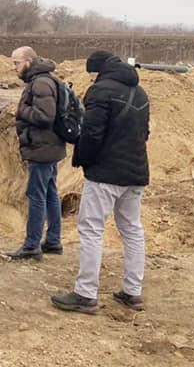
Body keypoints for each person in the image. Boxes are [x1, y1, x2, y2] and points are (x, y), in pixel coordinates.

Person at [52, 50, 150, 314]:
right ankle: (133, 291)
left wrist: (81, 160)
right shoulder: (140, 92)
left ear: (97, 70)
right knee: (132, 229)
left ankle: (85, 294)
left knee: (92, 229)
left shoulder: (100, 91)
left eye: (91, 73)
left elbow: (92, 133)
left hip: (106, 174)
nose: (91, 78)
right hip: (137, 172)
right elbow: (145, 133)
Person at [5, 46, 66, 261]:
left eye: (16, 63)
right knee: (49, 193)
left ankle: (32, 245)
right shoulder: (46, 79)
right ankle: (53, 240)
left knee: (37, 195)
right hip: (49, 147)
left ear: (29, 61)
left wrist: (21, 110)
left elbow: (45, 116)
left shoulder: (40, 83)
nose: (14, 67)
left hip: (42, 148)